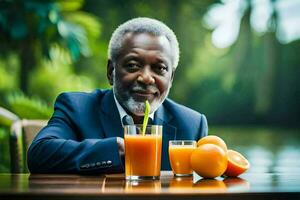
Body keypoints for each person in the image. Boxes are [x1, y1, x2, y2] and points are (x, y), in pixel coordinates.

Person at [27, 17, 208, 174]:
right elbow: (39, 154)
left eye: (159, 68)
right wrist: (115, 149)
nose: (146, 78)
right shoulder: (77, 108)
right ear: (111, 71)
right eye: (132, 65)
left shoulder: (192, 125)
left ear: (171, 77)